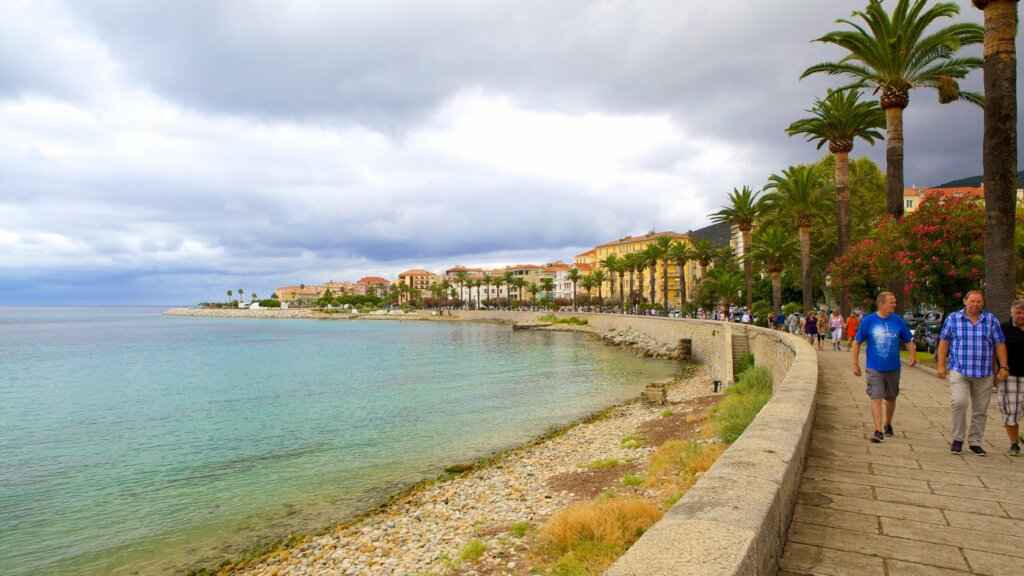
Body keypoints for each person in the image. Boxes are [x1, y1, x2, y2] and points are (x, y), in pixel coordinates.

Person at [936, 290, 1008, 456]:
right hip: (959, 370)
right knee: (959, 403)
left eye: (979, 302)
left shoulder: (991, 320)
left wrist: (1003, 366)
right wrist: (941, 365)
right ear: (965, 301)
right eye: (972, 301)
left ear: (983, 303)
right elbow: (944, 342)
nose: (975, 304)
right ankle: (957, 439)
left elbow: (1000, 344)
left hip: (984, 373)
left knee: (980, 409)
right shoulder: (953, 319)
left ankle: (975, 442)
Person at [853, 292, 915, 443]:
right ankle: (878, 430)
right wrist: (855, 364)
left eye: (895, 302)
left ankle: (888, 423)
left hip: (893, 367)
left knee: (891, 397)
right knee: (876, 397)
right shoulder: (868, 321)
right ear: (881, 304)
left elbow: (908, 340)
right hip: (874, 367)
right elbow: (857, 342)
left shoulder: (898, 321)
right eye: (891, 302)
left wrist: (913, 355)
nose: (894, 304)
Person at [999, 300, 1024, 456]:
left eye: (1023, 312)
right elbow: (997, 350)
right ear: (1012, 313)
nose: (1022, 315)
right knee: (1011, 411)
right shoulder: (1004, 329)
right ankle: (1014, 443)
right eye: (1018, 312)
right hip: (1011, 376)